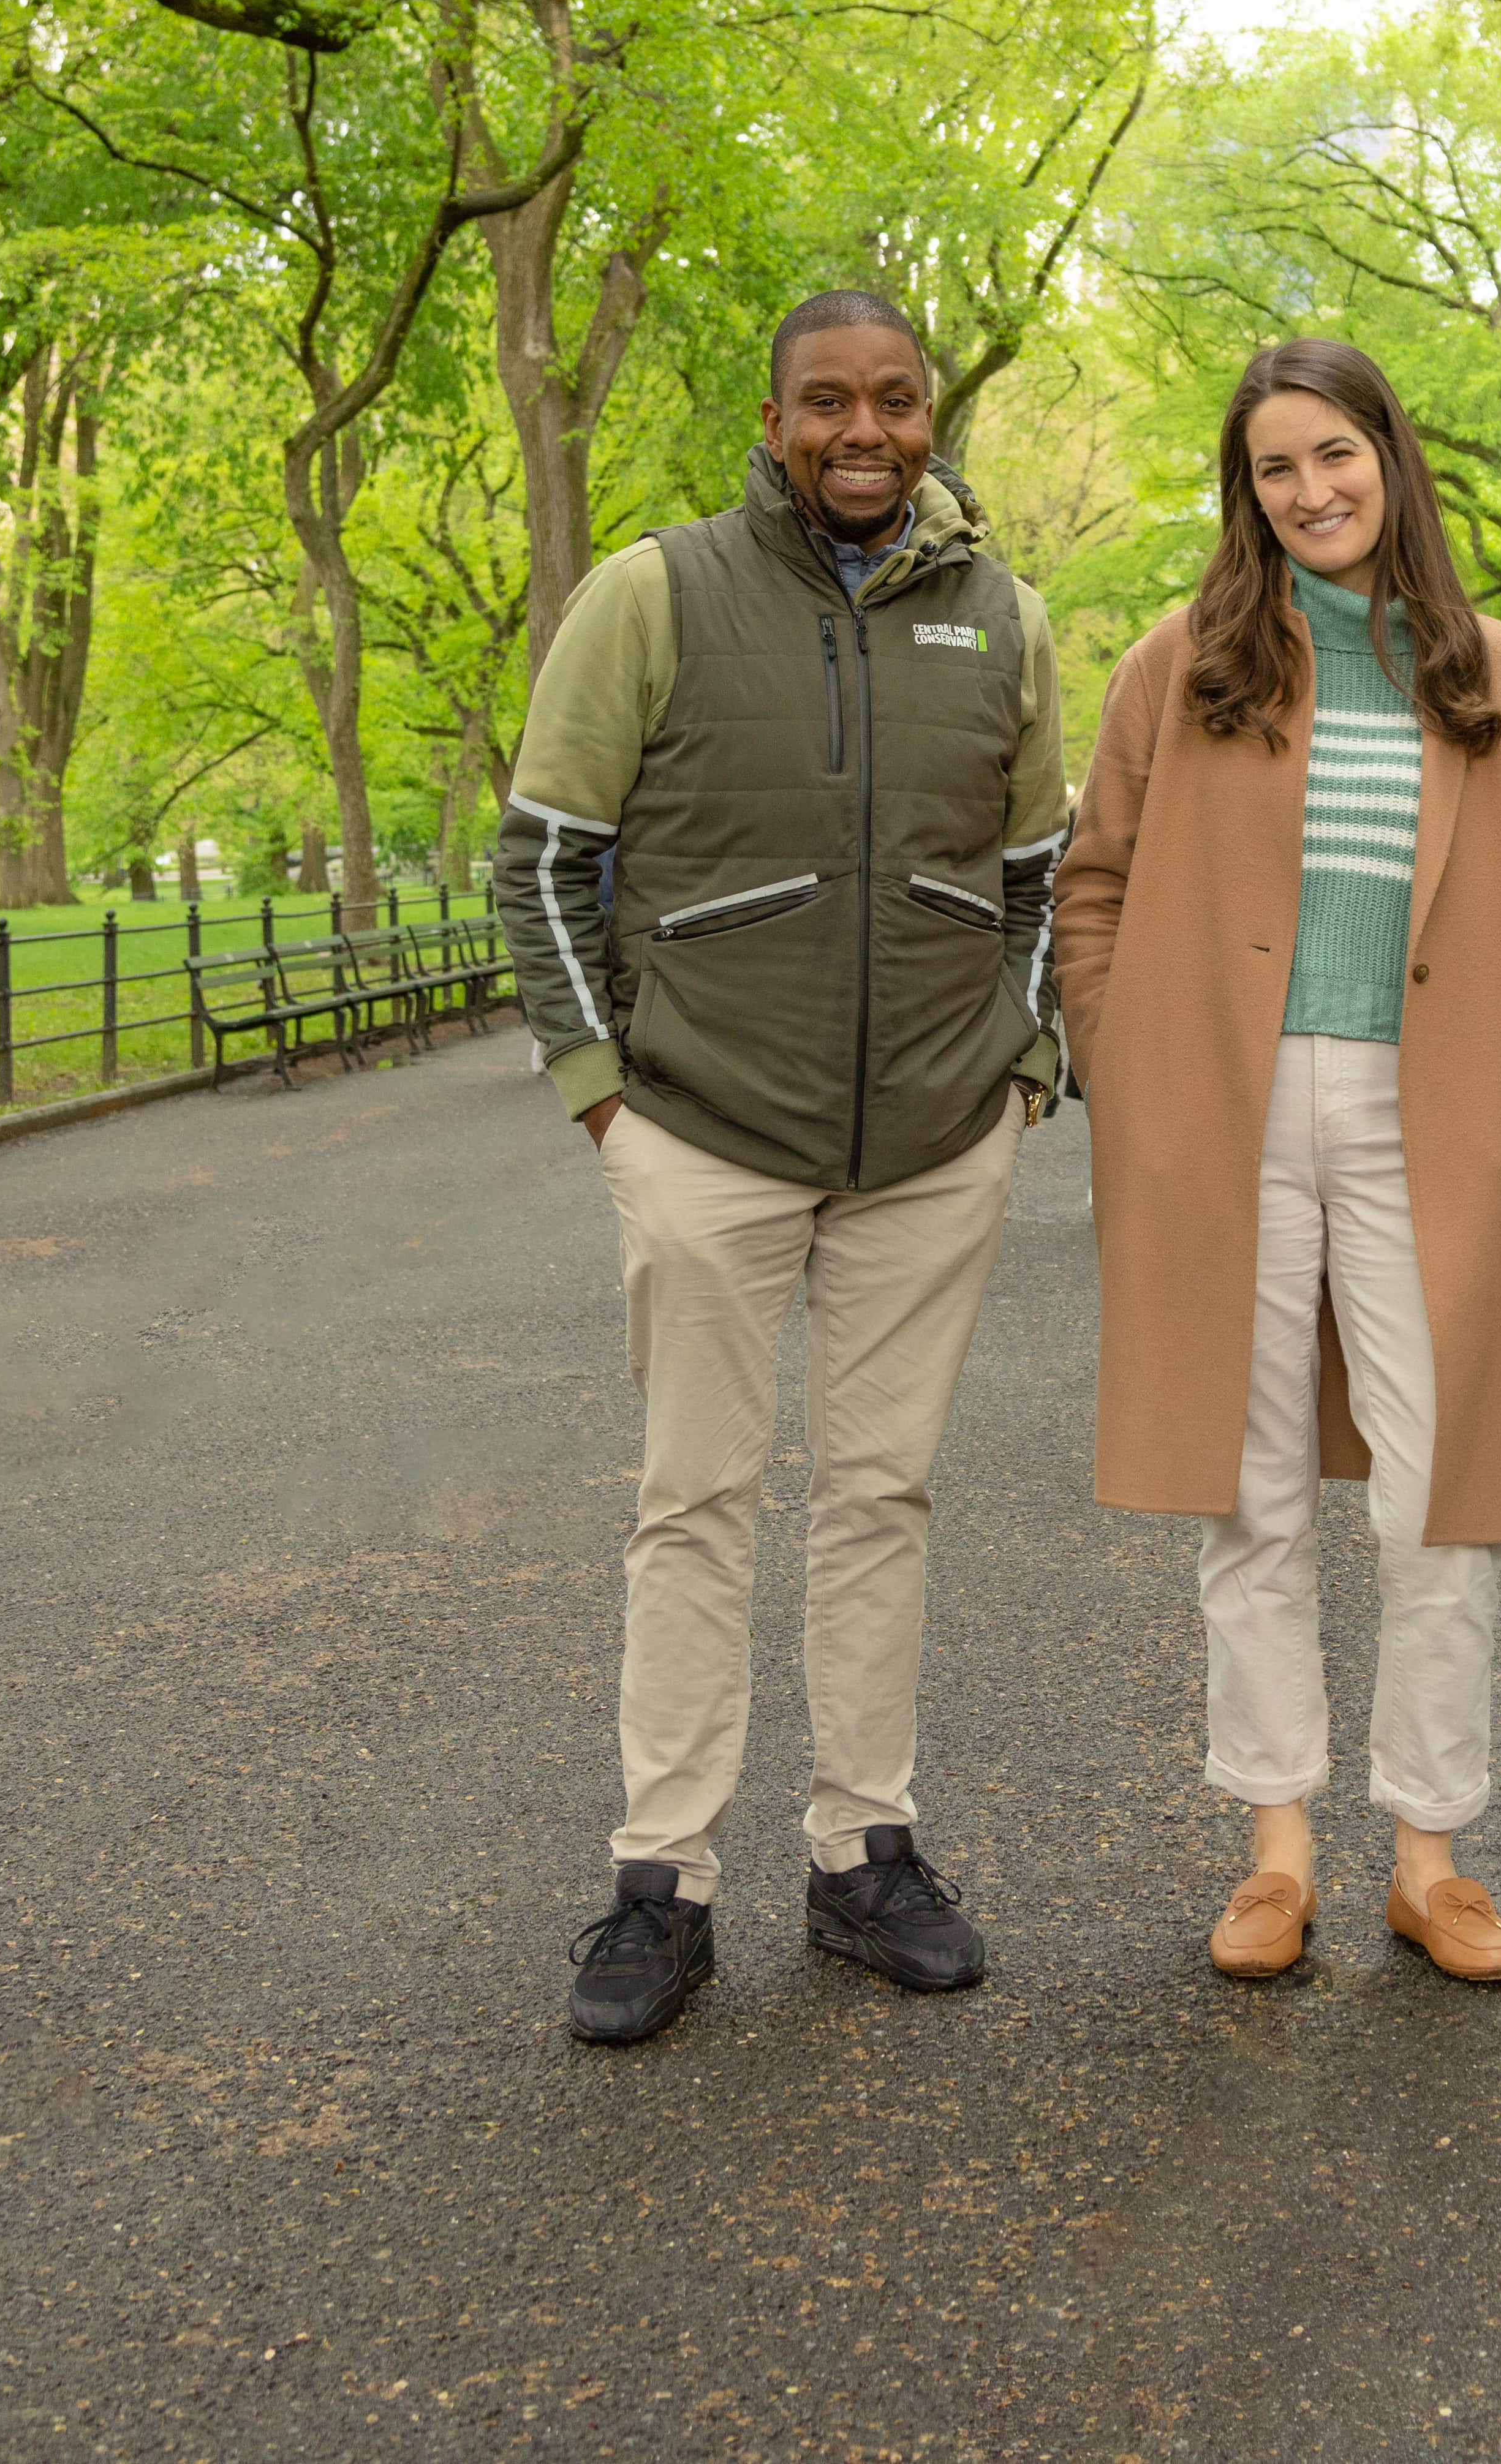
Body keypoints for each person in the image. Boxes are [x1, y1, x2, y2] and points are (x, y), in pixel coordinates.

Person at [491, 290, 1070, 2046]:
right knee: (697, 1505)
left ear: (927, 412)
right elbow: (544, 864)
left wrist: (1024, 1072)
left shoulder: (1004, 618)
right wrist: (609, 1099)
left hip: (934, 1143)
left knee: (880, 1495)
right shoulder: (654, 594)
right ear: (776, 414)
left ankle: (862, 1853)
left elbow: (1044, 875)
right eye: (829, 403)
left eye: (895, 401)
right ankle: (662, 1881)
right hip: (704, 1134)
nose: (865, 433)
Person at [1056, 340, 1501, 1987]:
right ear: (1250, 492)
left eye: (1334, 454)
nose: (1310, 491)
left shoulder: (1486, 667)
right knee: (1251, 1488)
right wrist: (1127, 1068)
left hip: (1435, 1116)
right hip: (1223, 1116)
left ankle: (1430, 1853)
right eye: (1276, 469)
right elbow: (1095, 882)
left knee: (1442, 1496)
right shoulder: (1183, 660)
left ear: (1390, 451)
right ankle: (1278, 1845)